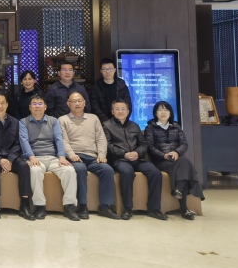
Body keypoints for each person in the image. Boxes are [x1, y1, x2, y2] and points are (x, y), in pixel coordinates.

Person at [59, 92, 120, 220]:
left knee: (107, 170)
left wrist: (102, 154)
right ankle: (82, 206)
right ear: (68, 104)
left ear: (84, 103)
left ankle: (105, 206)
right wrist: (71, 154)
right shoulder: (63, 120)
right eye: (73, 101)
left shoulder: (93, 118)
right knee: (80, 169)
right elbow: (63, 140)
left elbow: (101, 138)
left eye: (79, 101)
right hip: (75, 157)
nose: (77, 103)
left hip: (93, 157)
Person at [19, 95, 80, 221]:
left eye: (40, 103)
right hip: (35, 157)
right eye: (34, 104)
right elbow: (24, 141)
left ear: (45, 107)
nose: (37, 106)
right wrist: (31, 156)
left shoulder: (53, 121)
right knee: (35, 171)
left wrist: (62, 156)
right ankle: (40, 206)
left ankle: (69, 206)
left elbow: (59, 139)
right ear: (30, 107)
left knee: (69, 171)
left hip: (53, 157)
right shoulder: (23, 122)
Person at [104, 99, 167, 221]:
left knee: (155, 173)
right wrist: (125, 154)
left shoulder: (135, 126)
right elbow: (108, 145)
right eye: (117, 109)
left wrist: (137, 153)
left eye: (123, 109)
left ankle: (154, 209)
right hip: (120, 159)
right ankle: (128, 208)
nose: (120, 111)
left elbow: (143, 144)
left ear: (128, 111)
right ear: (112, 111)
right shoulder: (107, 125)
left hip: (138, 158)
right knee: (127, 173)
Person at [0, 93, 35, 220]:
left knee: (24, 166)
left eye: (2, 103)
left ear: (7, 105)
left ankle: (24, 206)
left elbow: (17, 144)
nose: (0, 106)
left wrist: (9, 160)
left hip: (11, 158)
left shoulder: (15, 122)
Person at [145, 101, 203, 221]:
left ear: (170, 113)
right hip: (160, 161)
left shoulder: (176, 126)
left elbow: (184, 144)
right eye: (160, 110)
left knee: (183, 163)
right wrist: (164, 155)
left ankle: (178, 190)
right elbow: (149, 147)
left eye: (166, 110)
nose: (163, 112)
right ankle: (184, 208)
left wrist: (176, 152)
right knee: (185, 165)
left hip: (176, 159)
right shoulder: (150, 127)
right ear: (155, 113)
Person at [89, 58, 132, 124]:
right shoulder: (96, 87)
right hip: (103, 123)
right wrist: (107, 123)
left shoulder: (122, 85)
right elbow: (95, 107)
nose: (107, 72)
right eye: (104, 69)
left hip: (121, 122)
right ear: (101, 71)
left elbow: (128, 104)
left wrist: (122, 120)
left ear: (114, 70)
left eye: (110, 69)